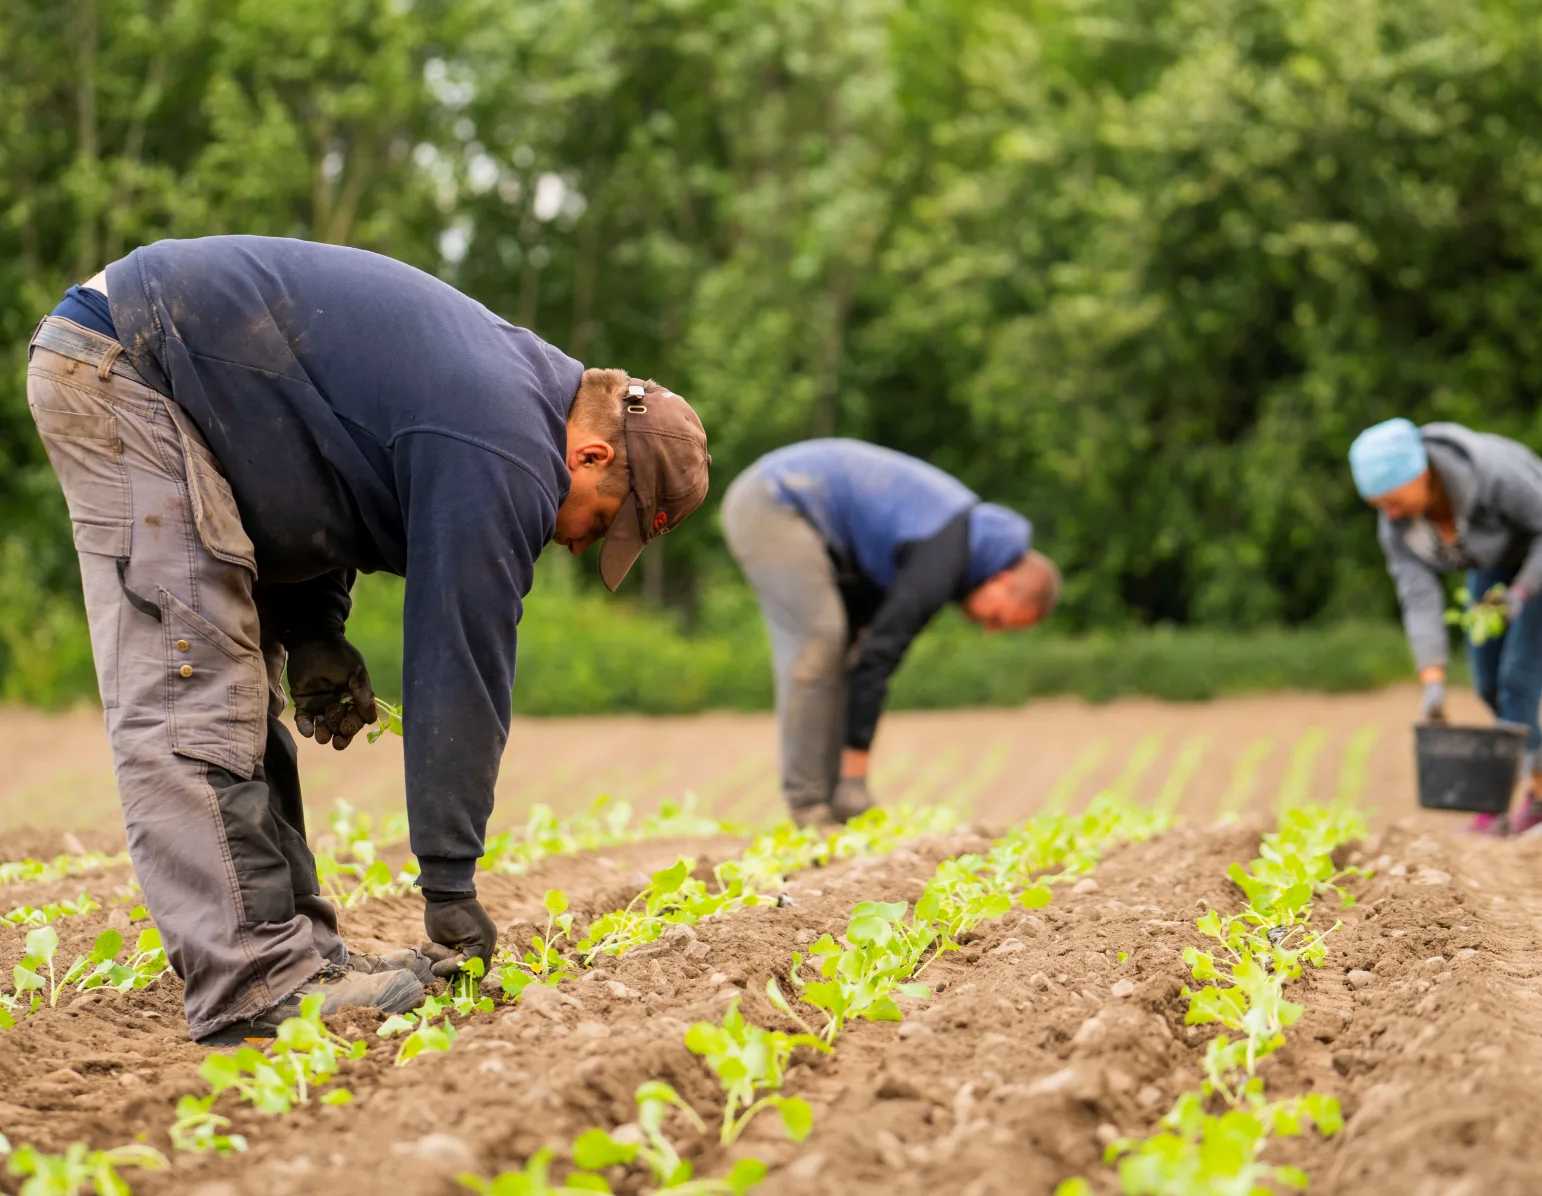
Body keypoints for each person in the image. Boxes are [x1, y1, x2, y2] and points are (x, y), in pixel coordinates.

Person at [26, 237, 709, 1043]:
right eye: (600, 521)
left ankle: (299, 956)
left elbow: (312, 456)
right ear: (591, 455)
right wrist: (451, 887)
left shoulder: (503, 397)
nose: (579, 544)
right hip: (133, 362)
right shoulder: (509, 449)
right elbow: (458, 665)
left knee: (238, 693)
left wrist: (316, 632)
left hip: (179, 372)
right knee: (192, 681)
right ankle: (254, 984)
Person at [722, 439, 1059, 825]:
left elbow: (867, 649)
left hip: (810, 520)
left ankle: (831, 802)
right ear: (1002, 580)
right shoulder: (943, 558)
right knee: (820, 640)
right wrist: (857, 776)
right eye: (997, 617)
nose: (989, 630)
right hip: (773, 502)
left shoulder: (958, 545)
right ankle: (809, 806)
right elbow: (878, 660)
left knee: (844, 644)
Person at [1349, 417, 1542, 838]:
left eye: (1392, 501)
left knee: (1518, 683)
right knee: (1488, 684)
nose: (1389, 514)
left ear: (1420, 474)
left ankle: (1494, 807)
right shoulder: (1398, 525)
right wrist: (1433, 681)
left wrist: (1522, 591)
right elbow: (1419, 598)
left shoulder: (1491, 471)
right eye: (1379, 507)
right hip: (1494, 566)